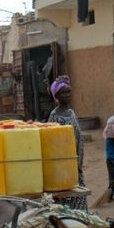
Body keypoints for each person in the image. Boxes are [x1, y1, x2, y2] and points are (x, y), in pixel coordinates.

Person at [47, 75, 88, 211]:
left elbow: (78, 138)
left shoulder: (71, 113)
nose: (68, 95)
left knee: (79, 195)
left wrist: (78, 162)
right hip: (64, 165)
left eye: (69, 92)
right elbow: (54, 143)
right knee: (67, 198)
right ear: (56, 96)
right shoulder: (55, 116)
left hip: (77, 162)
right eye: (64, 93)